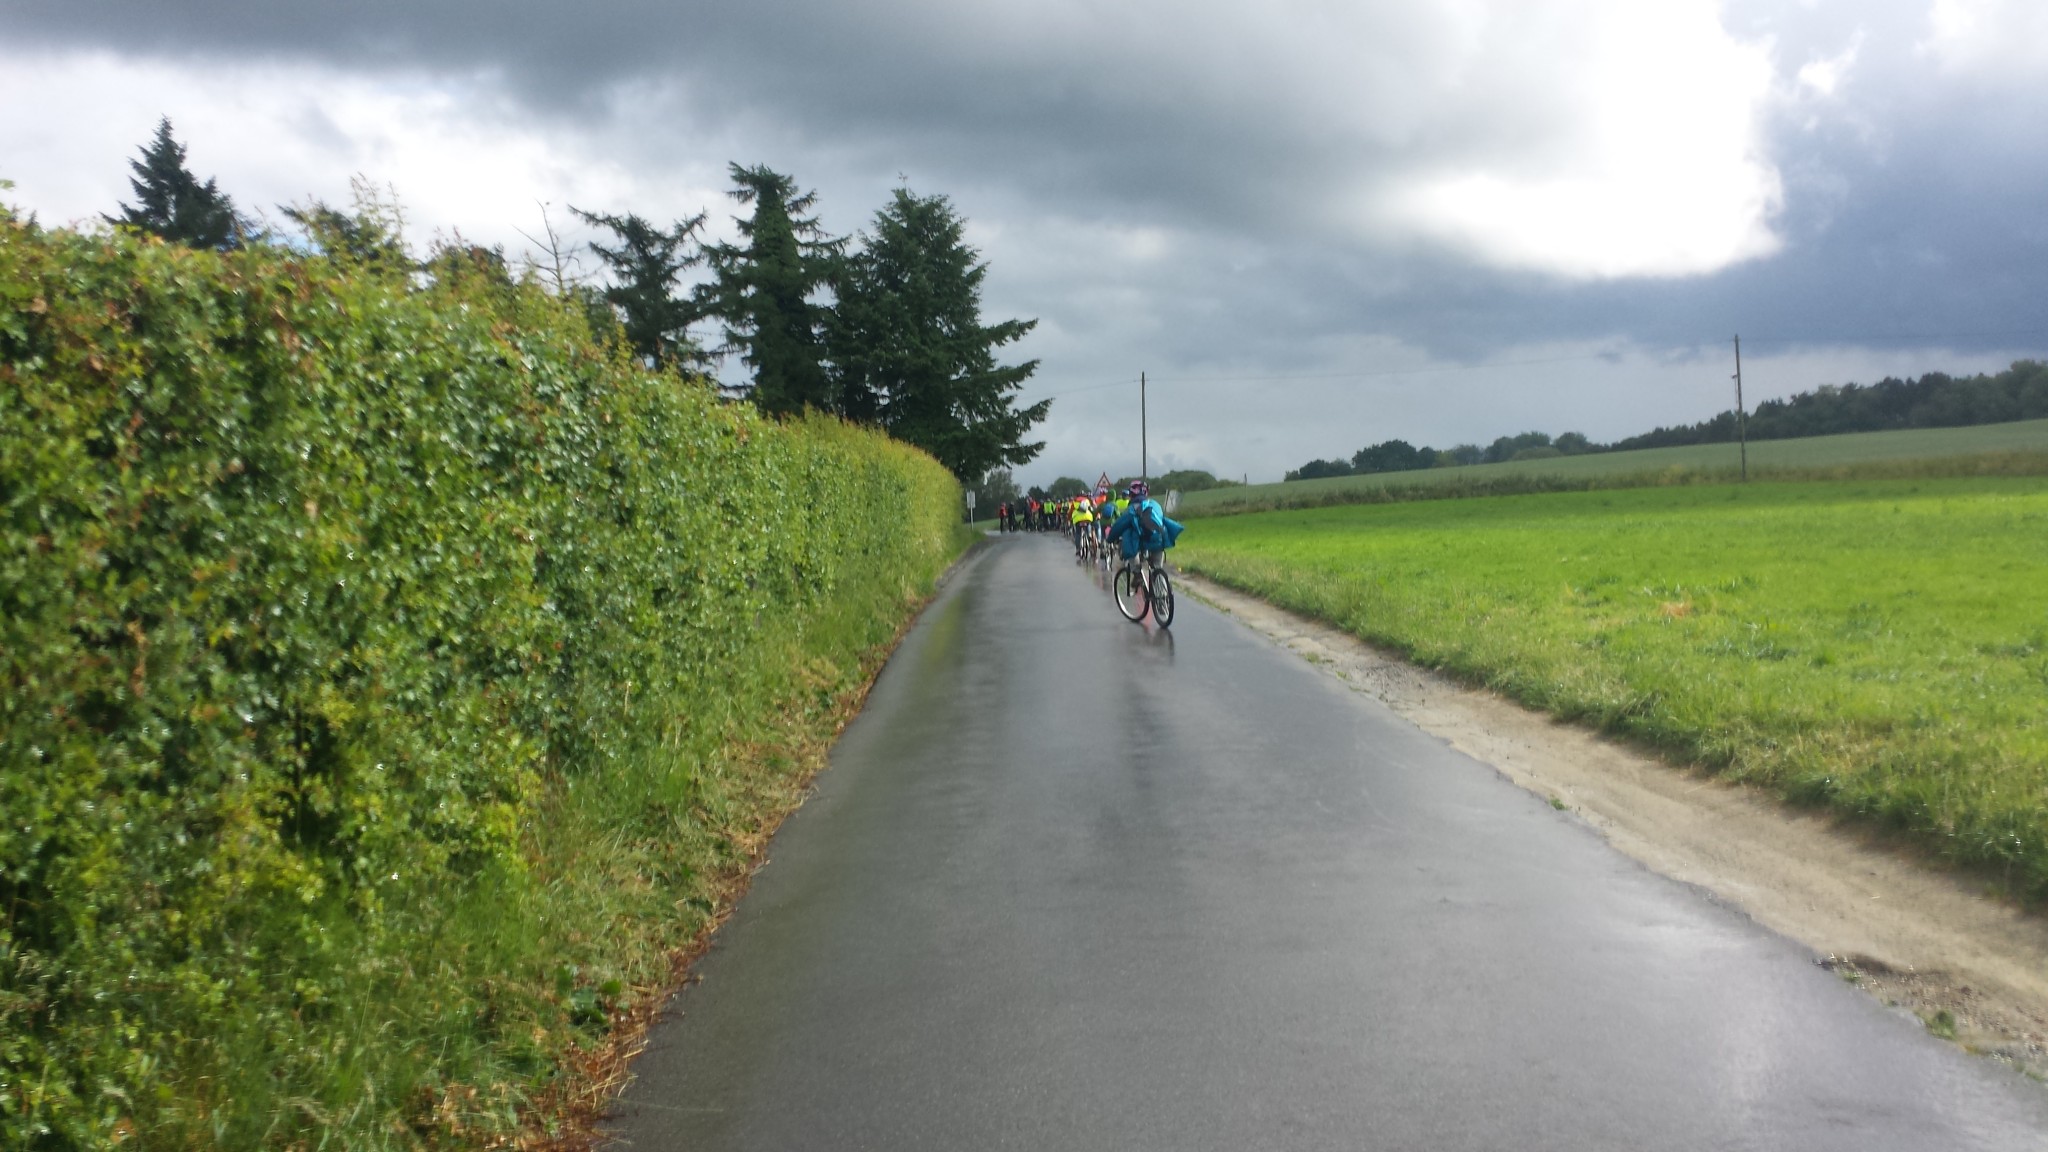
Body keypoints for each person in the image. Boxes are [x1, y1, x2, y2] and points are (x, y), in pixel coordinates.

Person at [1104, 479, 1183, 563]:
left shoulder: (1132, 508)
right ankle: (1158, 573)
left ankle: (1137, 573)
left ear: (1131, 494)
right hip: (1159, 539)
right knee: (1157, 567)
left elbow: (1119, 526)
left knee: (1129, 535)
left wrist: (1110, 539)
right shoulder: (1155, 505)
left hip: (1141, 541)